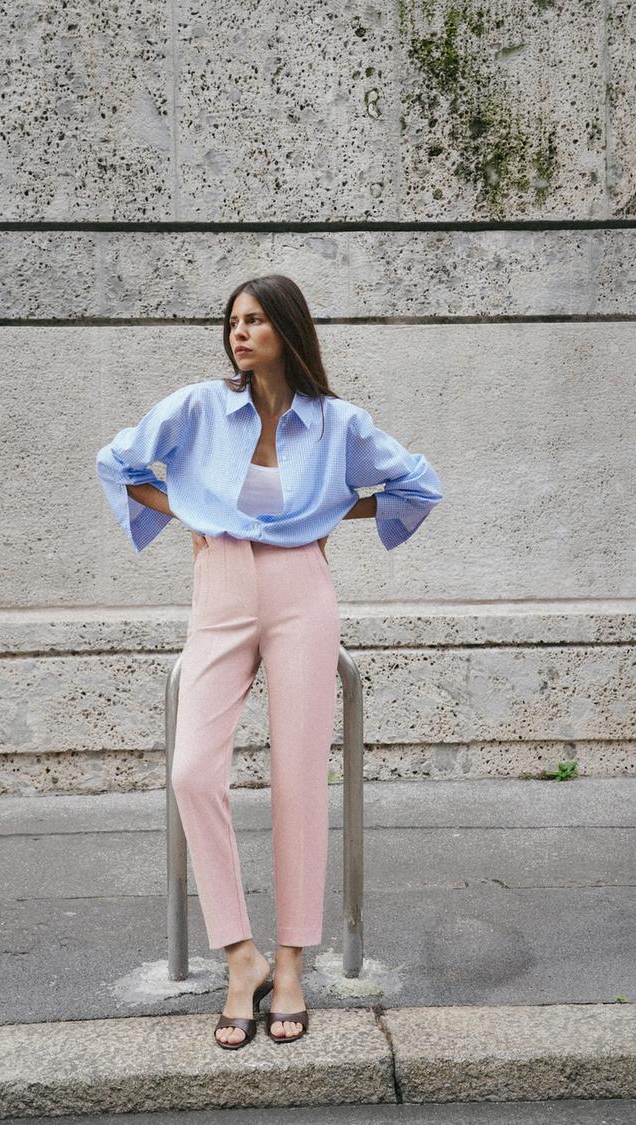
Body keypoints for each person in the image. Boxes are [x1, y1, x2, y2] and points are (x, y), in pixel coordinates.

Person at [95, 274, 443, 1049]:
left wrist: (331, 507)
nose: (239, 332)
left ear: (287, 328)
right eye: (233, 321)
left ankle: (289, 964)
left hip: (300, 592)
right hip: (219, 584)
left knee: (298, 779)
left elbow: (419, 484)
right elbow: (118, 463)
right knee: (192, 771)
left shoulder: (337, 423)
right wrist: (188, 511)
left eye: (254, 320)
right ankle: (239, 954)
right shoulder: (198, 407)